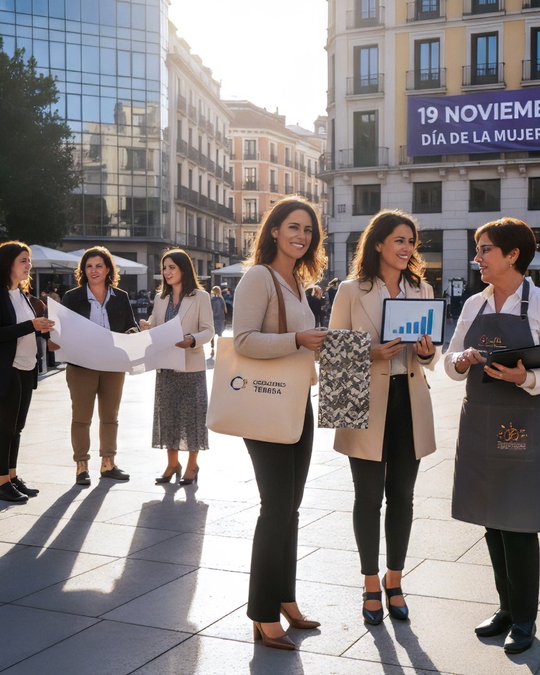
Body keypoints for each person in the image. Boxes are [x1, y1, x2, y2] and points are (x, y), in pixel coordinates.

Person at [444, 218, 540, 654]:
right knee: (492, 521)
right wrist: (461, 361)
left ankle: (524, 618)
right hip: (480, 420)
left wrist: (527, 376)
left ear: (512, 254)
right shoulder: (474, 305)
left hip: (525, 421)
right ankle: (505, 607)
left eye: (484, 250)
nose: (477, 258)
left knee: (519, 523)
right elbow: (450, 358)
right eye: (478, 250)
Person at [329, 210, 438, 626]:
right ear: (377, 244)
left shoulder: (422, 288)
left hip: (409, 401)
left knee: (404, 497)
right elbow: (333, 350)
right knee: (368, 498)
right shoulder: (351, 291)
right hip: (364, 402)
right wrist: (370, 352)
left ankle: (396, 579)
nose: (407, 247)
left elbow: (431, 356)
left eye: (411, 240)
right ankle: (370, 582)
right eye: (399, 240)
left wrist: (427, 352)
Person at [233, 196, 328, 650]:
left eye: (308, 230)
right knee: (275, 507)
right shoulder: (259, 277)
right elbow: (244, 341)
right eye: (293, 226)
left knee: (290, 507)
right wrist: (297, 338)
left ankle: (285, 598)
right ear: (274, 230)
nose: (301, 236)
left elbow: (300, 342)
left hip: (297, 402)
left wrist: (315, 343)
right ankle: (261, 612)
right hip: (265, 406)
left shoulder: (298, 281)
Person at [0, 241, 53, 503]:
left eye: (29, 260)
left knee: (17, 427)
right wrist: (30, 325)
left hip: (27, 368)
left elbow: (27, 327)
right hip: (6, 369)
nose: (28, 265)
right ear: (8, 263)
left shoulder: (22, 294)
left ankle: (12, 475)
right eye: (23, 260)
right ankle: (1, 483)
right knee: (5, 427)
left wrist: (40, 328)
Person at [56, 246, 139, 486]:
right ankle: (81, 466)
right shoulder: (72, 297)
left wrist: (134, 333)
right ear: (83, 270)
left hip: (113, 365)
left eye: (99, 266)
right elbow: (62, 330)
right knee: (81, 417)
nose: (93, 270)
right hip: (81, 366)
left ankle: (108, 464)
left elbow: (130, 325)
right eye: (89, 266)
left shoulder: (120, 297)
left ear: (108, 269)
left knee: (110, 417)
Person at [141, 248, 214, 486]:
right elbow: (155, 324)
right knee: (168, 417)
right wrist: (147, 326)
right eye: (164, 268)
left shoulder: (200, 297)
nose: (167, 272)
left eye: (172, 267)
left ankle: (192, 465)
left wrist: (192, 339)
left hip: (191, 367)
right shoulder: (160, 298)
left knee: (193, 417)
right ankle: (172, 464)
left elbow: (208, 330)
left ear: (184, 269)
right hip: (165, 366)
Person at [209, 286, 227, 357]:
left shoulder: (211, 300)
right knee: (220, 334)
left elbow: (209, 309)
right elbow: (225, 310)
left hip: (213, 319)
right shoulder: (221, 299)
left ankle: (212, 347)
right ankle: (221, 347)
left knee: (212, 334)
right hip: (220, 319)